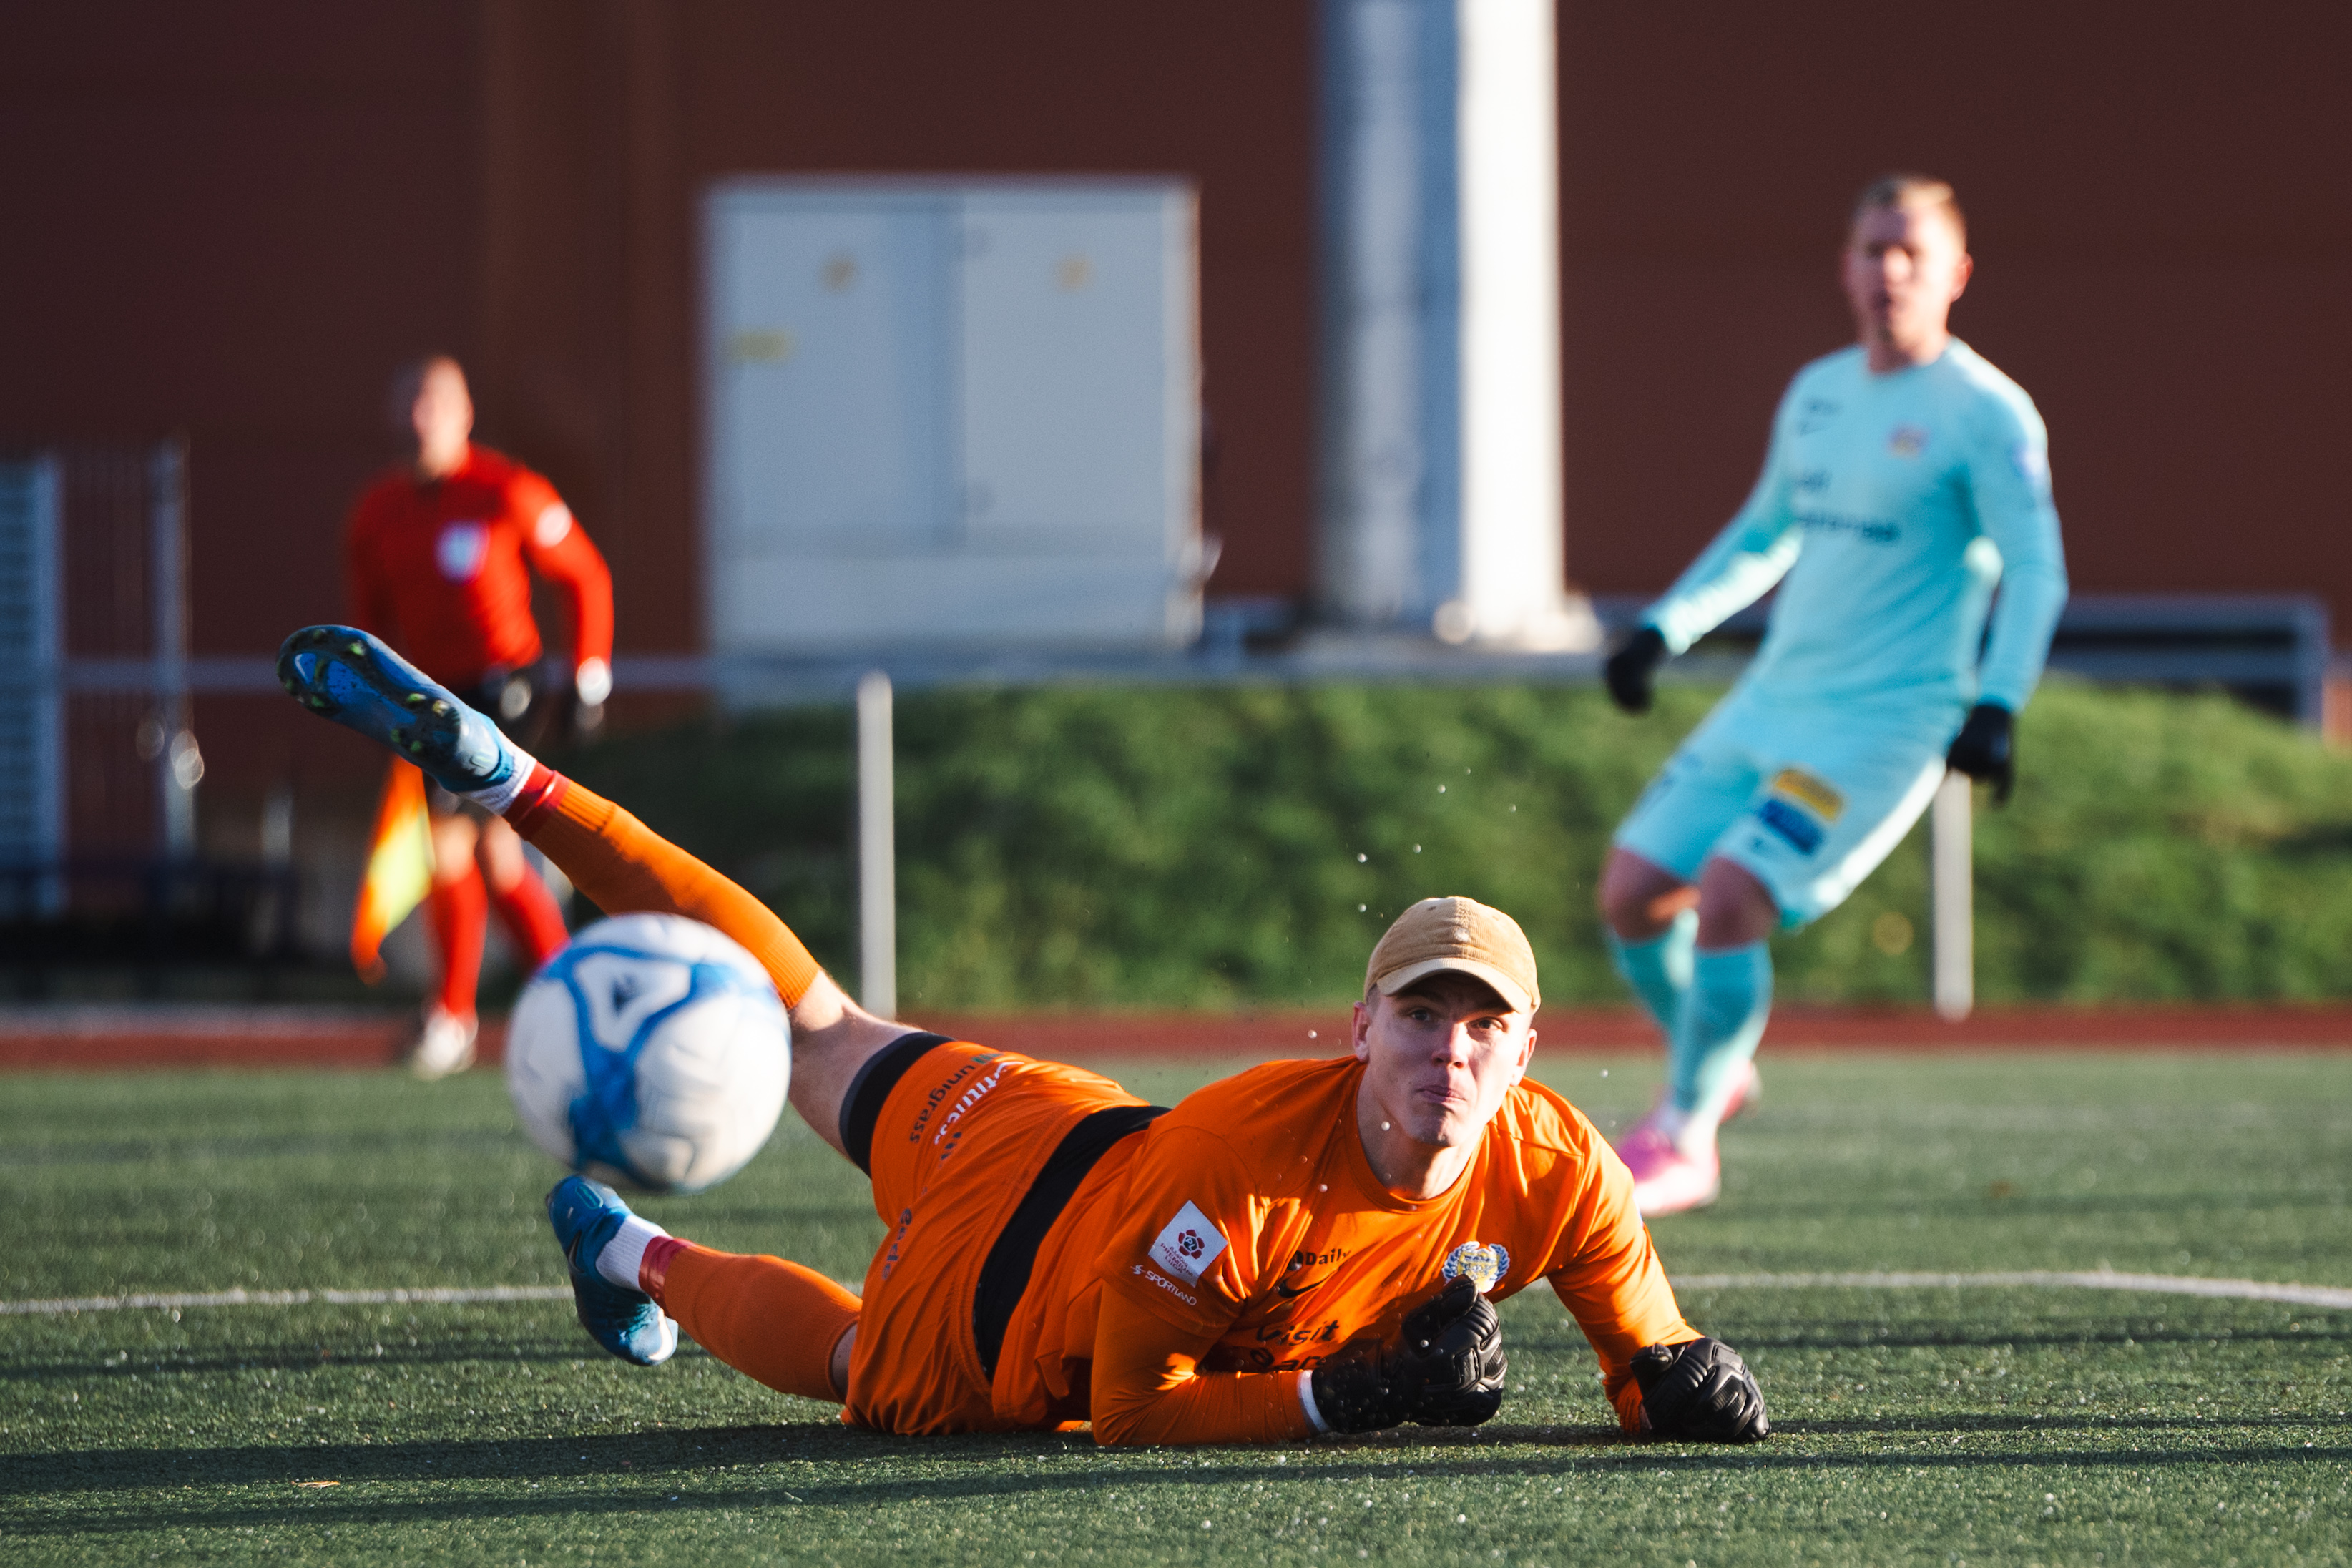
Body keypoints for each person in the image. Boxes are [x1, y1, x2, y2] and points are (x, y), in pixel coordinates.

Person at [276, 624, 1770, 1446]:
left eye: (1483, 1024)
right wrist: (1352, 1395)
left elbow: (1645, 1356)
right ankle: (629, 1251)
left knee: (816, 1021)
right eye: (1422, 1014)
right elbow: (1130, 1411)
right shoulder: (1245, 1163)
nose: (1451, 1047)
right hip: (1006, 1288)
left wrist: (1681, 1385)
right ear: (1362, 1025)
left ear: (1526, 1057)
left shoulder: (1564, 1163)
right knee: (861, 1358)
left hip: (1058, 1118)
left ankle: (512, 784)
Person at [1596, 174, 2069, 1216]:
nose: (1888, 271)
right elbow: (1766, 534)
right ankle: (1719, 1067)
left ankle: (1685, 1131)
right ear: (1846, 266)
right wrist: (1664, 628)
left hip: (1882, 727)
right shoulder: (1817, 391)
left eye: (1911, 252)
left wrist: (1999, 704)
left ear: (1956, 274)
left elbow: (2038, 569)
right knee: (1631, 892)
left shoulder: (1986, 414)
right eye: (1871, 250)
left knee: (1729, 896)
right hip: (1775, 700)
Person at [343, 357, 615, 1077]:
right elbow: (369, 615)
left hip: (505, 691)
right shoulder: (377, 509)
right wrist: (368, 696)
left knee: (461, 846)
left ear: (465, 413)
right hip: (429, 694)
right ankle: (568, 1007)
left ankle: (457, 1015)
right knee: (488, 858)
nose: (418, 416)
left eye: (433, 402)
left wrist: (588, 677)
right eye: (407, 402)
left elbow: (585, 575)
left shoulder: (506, 488)